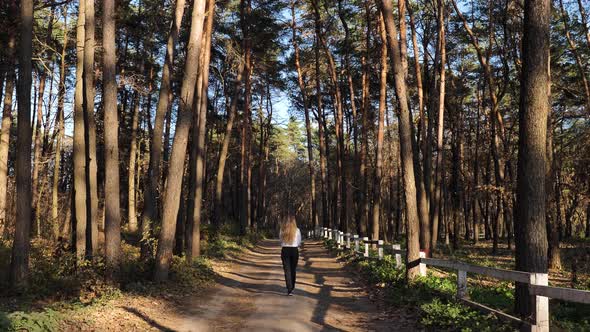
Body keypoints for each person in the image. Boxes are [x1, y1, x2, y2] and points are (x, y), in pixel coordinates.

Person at [280, 215, 302, 296]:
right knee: (293, 269)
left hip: (285, 250)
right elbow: (299, 242)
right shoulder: (297, 230)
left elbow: (280, 240)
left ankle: (289, 289)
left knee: (287, 270)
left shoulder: (282, 230)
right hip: (294, 250)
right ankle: (292, 287)